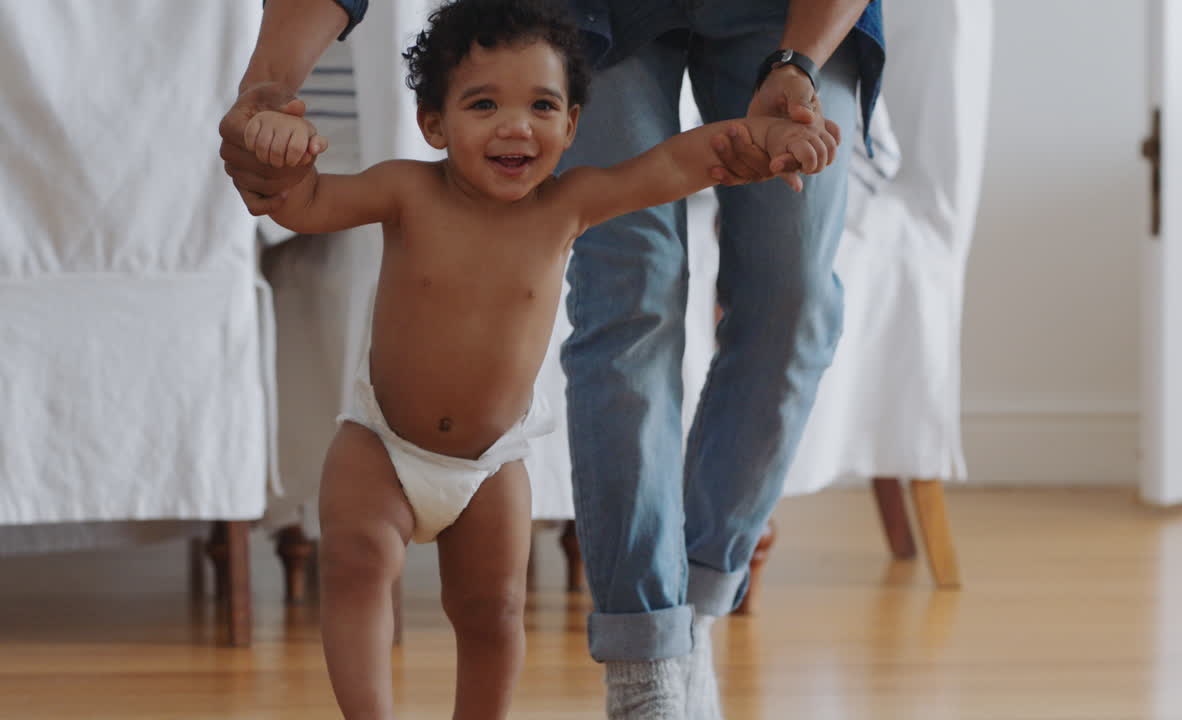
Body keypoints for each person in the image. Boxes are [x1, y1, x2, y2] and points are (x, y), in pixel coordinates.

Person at [220, 1, 883, 718]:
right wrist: (277, 136)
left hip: (490, 466)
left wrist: (755, 136)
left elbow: (674, 163)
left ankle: (675, 625)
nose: (515, 125)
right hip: (380, 447)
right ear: (433, 123)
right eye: (483, 104)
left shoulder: (570, 203)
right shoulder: (406, 191)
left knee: (494, 615)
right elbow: (303, 203)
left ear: (573, 126)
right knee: (356, 568)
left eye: (541, 105)